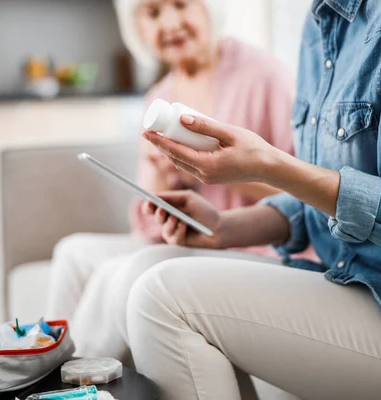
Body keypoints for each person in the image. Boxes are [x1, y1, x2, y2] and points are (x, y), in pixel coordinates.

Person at [125, 0, 381, 399]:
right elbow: (325, 194)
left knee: (160, 296)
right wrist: (226, 227)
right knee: (148, 264)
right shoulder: (324, 21)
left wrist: (268, 166)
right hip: (356, 283)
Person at [45, 0, 298, 360]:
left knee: (114, 274)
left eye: (181, 4)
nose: (170, 23)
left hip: (256, 245)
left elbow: (302, 185)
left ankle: (74, 382)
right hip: (190, 242)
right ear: (138, 28)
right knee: (72, 252)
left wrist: (220, 171)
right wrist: (163, 178)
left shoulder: (265, 76)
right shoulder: (159, 98)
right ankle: (46, 370)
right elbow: (146, 225)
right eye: (152, 13)